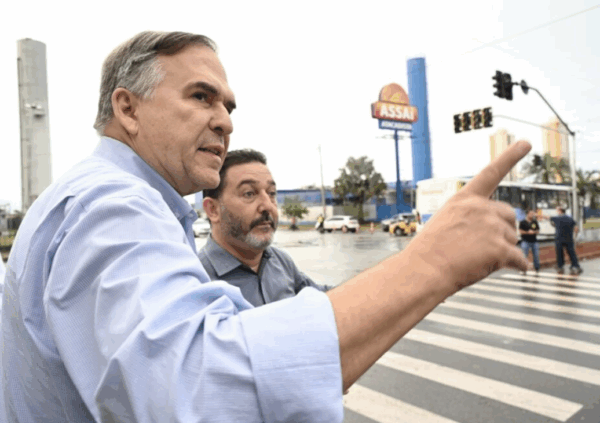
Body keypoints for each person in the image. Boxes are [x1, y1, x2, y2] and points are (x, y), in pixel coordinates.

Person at [0, 30, 531, 423]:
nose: (225, 121)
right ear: (128, 108)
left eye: (228, 106)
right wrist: (430, 263)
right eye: (201, 96)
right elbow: (199, 390)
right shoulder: (110, 203)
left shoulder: (115, 199)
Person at [199, 149, 332, 307]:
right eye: (249, 194)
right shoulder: (197, 281)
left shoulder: (280, 261)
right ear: (213, 210)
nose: (268, 205)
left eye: (272, 193)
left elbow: (323, 299)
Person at [550, 206, 582, 274]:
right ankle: (575, 265)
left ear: (560, 211)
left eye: (557, 210)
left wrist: (537, 215)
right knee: (571, 253)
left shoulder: (557, 218)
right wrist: (575, 237)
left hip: (559, 239)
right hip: (569, 239)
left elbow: (548, 218)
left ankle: (560, 265)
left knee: (559, 253)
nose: (556, 212)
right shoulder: (570, 219)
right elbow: (576, 229)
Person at [518, 209, 541, 274]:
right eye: (531, 214)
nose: (532, 215)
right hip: (525, 241)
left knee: (536, 255)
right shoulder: (522, 222)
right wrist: (528, 232)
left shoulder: (534, 222)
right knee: (524, 255)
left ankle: (537, 268)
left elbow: (538, 231)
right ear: (527, 214)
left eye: (533, 214)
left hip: (534, 241)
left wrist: (534, 232)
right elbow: (521, 231)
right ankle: (523, 269)